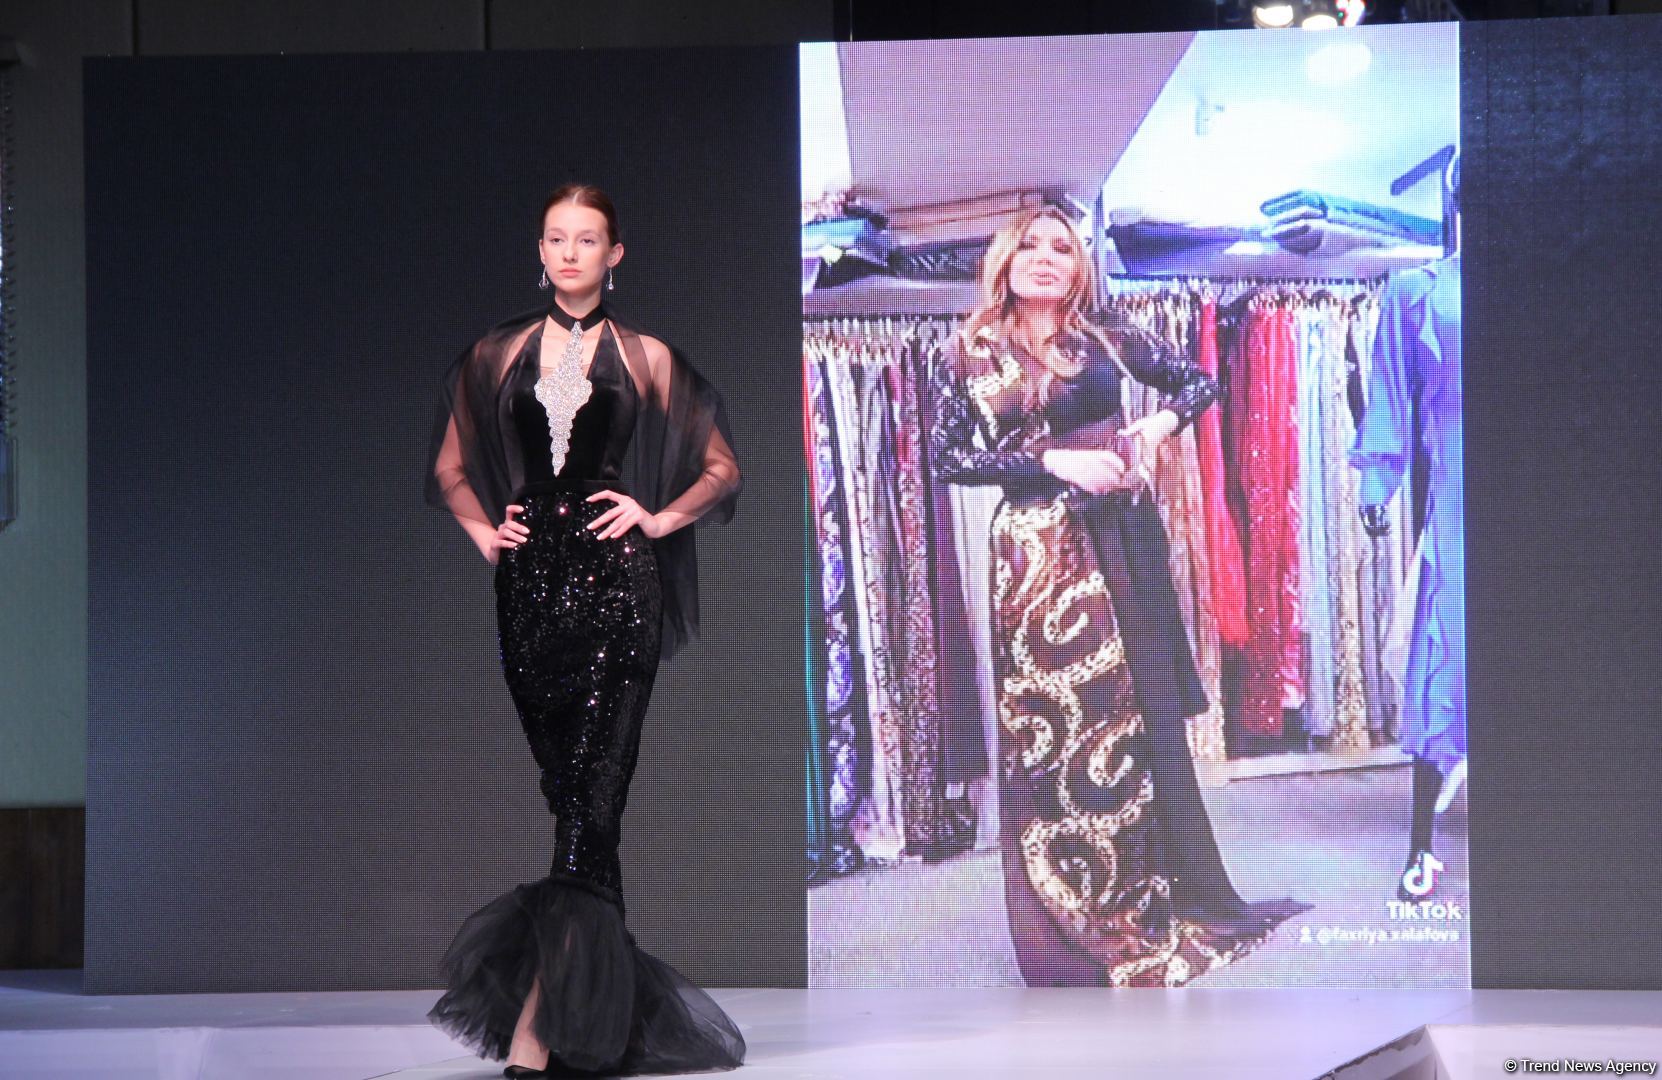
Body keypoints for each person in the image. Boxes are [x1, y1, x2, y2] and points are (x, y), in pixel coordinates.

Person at [927, 206, 1309, 988]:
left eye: (1062, 248)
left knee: (1133, 719)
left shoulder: (1105, 333)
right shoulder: (966, 349)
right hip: (1036, 556)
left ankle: (1149, 897)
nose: (1045, 257)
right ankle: (1073, 911)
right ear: (1005, 260)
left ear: (1080, 265)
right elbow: (947, 456)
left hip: (1120, 537)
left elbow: (1198, 382)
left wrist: (1157, 426)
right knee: (1057, 727)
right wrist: (1052, 464)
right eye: (1030, 245)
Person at [424, 184, 746, 1077]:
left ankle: (536, 1036)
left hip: (617, 593)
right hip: (530, 597)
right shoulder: (498, 353)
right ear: (540, 252)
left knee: (593, 801)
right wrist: (488, 535)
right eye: (556, 239)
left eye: (588, 239)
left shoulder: (645, 356)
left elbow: (721, 468)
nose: (570, 253)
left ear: (615, 254)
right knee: (574, 804)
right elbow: (450, 469)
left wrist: (657, 517)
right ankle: (602, 1017)